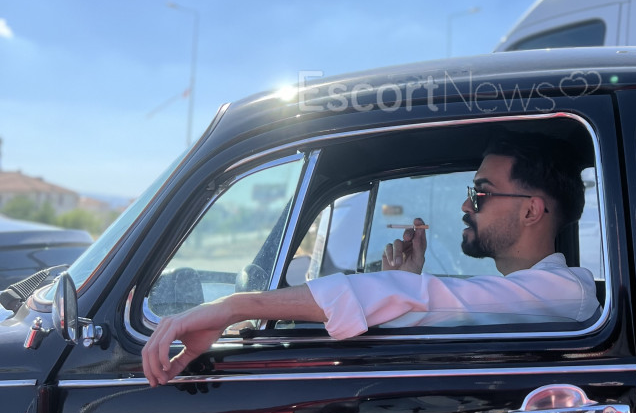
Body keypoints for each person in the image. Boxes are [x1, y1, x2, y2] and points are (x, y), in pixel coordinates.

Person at [142, 131, 597, 387]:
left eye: (480, 193)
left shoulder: (563, 294)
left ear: (531, 210)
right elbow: (433, 302)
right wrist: (405, 285)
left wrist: (235, 306)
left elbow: (428, 300)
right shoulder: (538, 294)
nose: (465, 205)